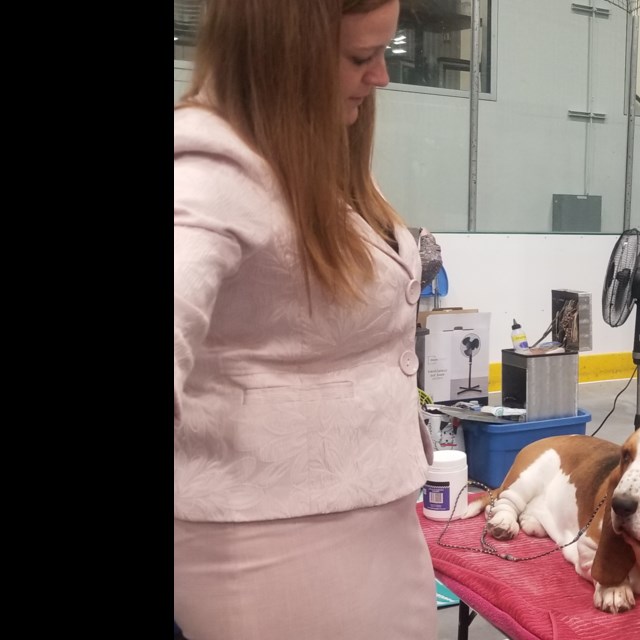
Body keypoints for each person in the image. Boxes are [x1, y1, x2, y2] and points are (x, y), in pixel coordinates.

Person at [173, 1, 440, 638]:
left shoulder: (312, 155)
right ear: (283, 55)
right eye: (359, 57)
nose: (381, 77)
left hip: (375, 520)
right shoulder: (211, 169)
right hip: (272, 548)